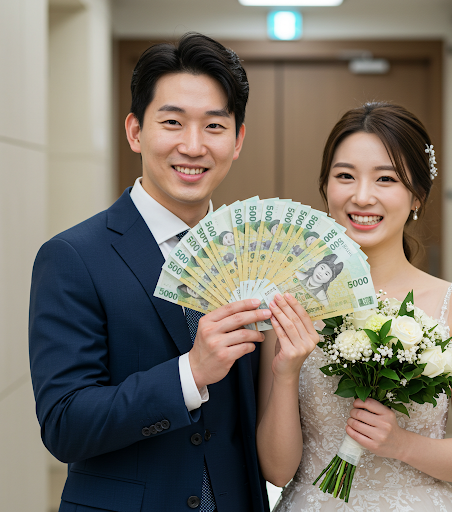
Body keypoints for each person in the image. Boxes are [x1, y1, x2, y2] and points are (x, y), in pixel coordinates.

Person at [29, 33, 272, 512]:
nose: (193, 146)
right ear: (136, 131)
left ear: (238, 140)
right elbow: (64, 424)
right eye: (173, 122)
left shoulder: (255, 254)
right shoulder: (73, 256)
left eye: (214, 126)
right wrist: (190, 373)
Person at [257, 102, 452, 511]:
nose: (362, 196)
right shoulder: (288, 305)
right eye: (345, 176)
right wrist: (286, 372)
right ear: (326, 187)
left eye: (386, 178)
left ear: (417, 196)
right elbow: (277, 472)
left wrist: (401, 443)